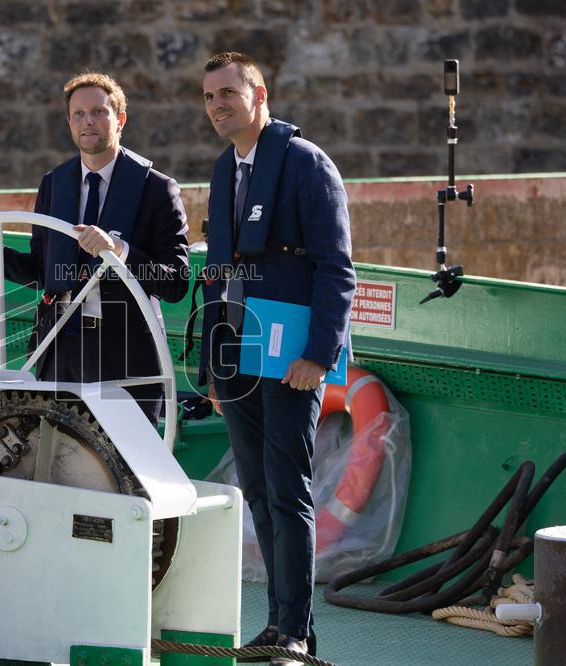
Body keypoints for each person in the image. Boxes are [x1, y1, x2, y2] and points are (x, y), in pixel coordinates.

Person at [196, 52, 356, 664]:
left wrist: (320, 353)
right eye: (210, 97)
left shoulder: (306, 164)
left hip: (292, 357)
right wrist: (214, 360)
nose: (218, 105)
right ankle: (277, 626)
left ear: (259, 95)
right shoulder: (222, 169)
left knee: (288, 489)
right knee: (258, 490)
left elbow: (336, 267)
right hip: (238, 353)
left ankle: (297, 630)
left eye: (229, 93)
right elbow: (218, 271)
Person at [0, 72, 189, 424]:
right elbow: (41, 271)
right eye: (79, 114)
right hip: (62, 351)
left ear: (120, 119)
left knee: (128, 472)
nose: (88, 121)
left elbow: (176, 282)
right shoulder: (54, 184)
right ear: (69, 123)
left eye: (99, 112)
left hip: (130, 357)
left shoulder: (157, 188)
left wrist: (119, 250)